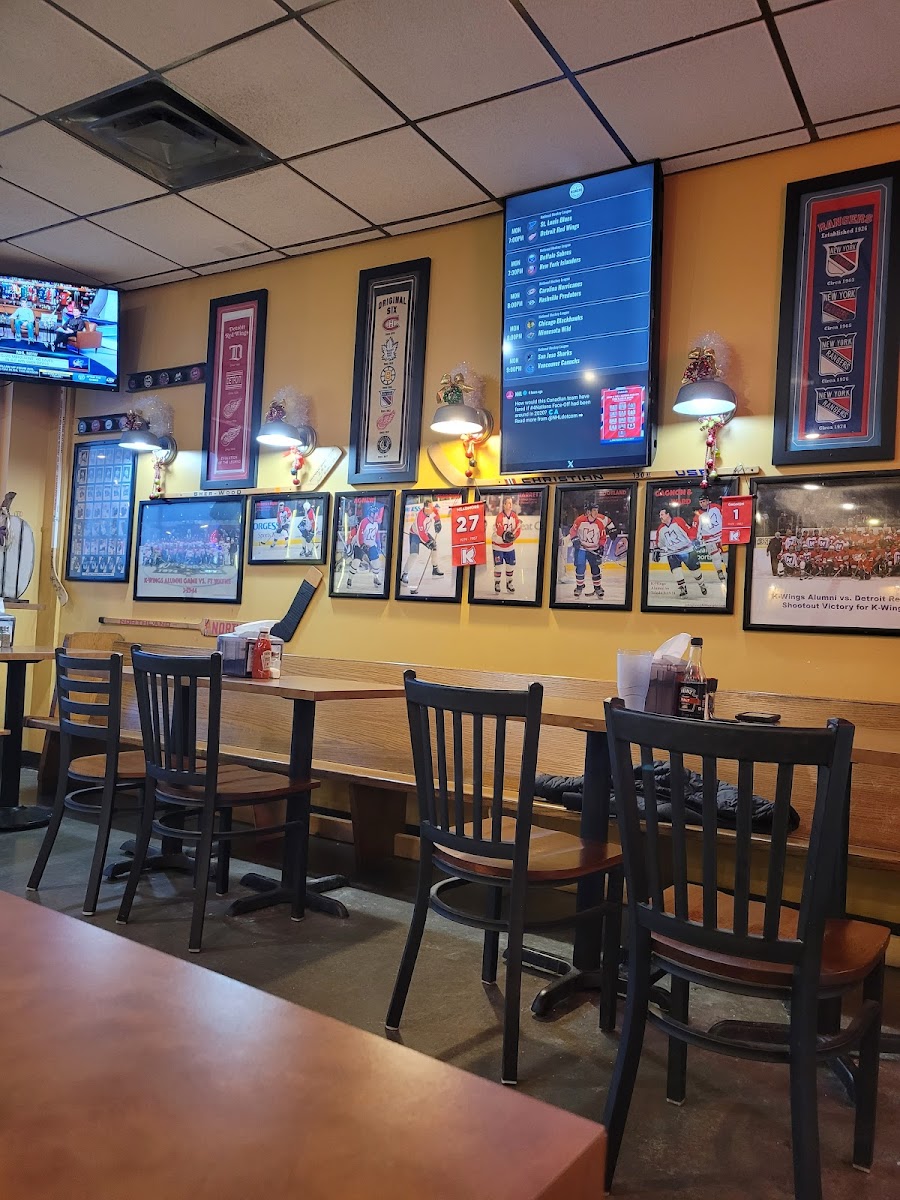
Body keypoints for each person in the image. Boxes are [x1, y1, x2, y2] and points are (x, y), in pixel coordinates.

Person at [656, 508, 707, 598]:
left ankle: (701, 584)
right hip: (673, 553)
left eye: (662, 514)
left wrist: (694, 539)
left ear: (668, 514)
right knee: (676, 571)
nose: (660, 517)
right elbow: (659, 543)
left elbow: (688, 531)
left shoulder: (678, 521)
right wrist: (657, 549)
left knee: (696, 572)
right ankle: (683, 588)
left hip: (687, 550)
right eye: (660, 515)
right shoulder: (660, 528)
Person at [569, 499, 614, 598]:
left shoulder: (599, 523)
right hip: (581, 549)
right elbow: (572, 531)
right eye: (594, 510)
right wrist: (575, 539)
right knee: (580, 567)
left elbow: (602, 537)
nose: (596, 512)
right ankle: (579, 587)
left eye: (597, 510)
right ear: (588, 511)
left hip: (594, 549)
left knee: (595, 568)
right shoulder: (580, 520)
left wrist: (601, 547)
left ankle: (597, 588)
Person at [400, 499, 444, 588]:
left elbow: (436, 514)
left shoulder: (432, 509)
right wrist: (428, 542)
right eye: (430, 508)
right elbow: (421, 534)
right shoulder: (420, 518)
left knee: (434, 547)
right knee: (414, 555)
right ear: (426, 508)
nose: (432, 509)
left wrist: (438, 522)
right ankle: (405, 574)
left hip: (424, 533)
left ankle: (435, 569)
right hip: (415, 535)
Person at [347, 504, 383, 590]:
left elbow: (376, 535)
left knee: (376, 563)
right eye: (376, 513)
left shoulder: (375, 523)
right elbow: (360, 534)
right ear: (371, 514)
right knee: (356, 562)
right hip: (360, 545)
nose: (377, 515)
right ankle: (349, 579)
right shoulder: (364, 522)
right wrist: (362, 545)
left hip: (371, 545)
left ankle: (376, 578)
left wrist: (379, 544)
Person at [492, 495, 521, 594]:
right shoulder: (500, 516)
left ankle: (509, 583)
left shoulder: (514, 516)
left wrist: (514, 537)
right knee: (498, 566)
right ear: (504, 505)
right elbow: (500, 530)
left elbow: (518, 529)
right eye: (508, 503)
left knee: (511, 565)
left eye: (511, 503)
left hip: (509, 547)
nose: (510, 505)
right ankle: (497, 583)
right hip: (498, 546)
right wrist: (506, 536)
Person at [694, 493, 726, 582]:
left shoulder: (717, 507)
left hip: (721, 536)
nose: (702, 503)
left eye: (704, 501)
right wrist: (698, 538)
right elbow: (697, 529)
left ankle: (728, 569)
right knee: (715, 557)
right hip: (709, 539)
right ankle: (719, 572)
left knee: (726, 555)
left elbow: (725, 517)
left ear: (708, 501)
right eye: (700, 502)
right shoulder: (698, 515)